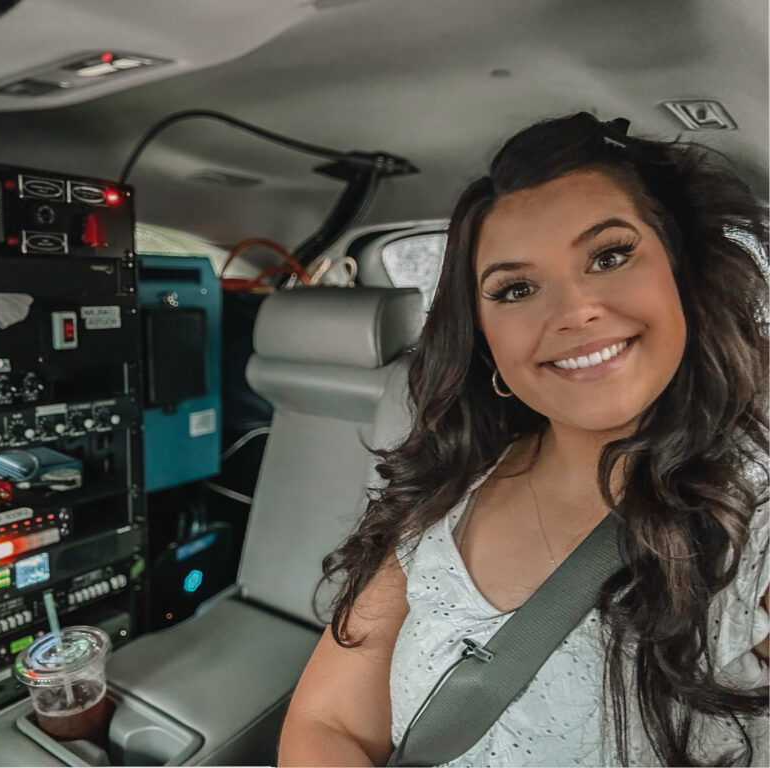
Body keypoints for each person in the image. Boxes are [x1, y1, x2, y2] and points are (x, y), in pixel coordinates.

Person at [277, 112, 769, 767]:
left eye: (610, 255)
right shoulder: (447, 484)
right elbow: (326, 723)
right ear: (486, 342)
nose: (573, 311)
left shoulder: (752, 516)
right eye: (515, 288)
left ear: (681, 273)